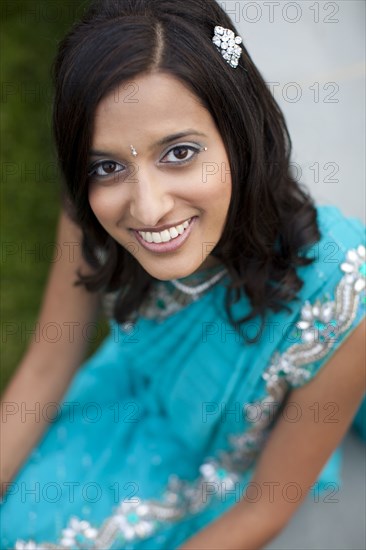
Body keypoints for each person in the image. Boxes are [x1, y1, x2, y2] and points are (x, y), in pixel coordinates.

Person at [0, 0, 365, 548]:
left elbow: (263, 510)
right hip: (124, 395)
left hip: (224, 476)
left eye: (179, 152)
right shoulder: (95, 207)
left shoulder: (342, 293)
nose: (146, 209)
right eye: (108, 165)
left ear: (239, 136)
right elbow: (50, 362)